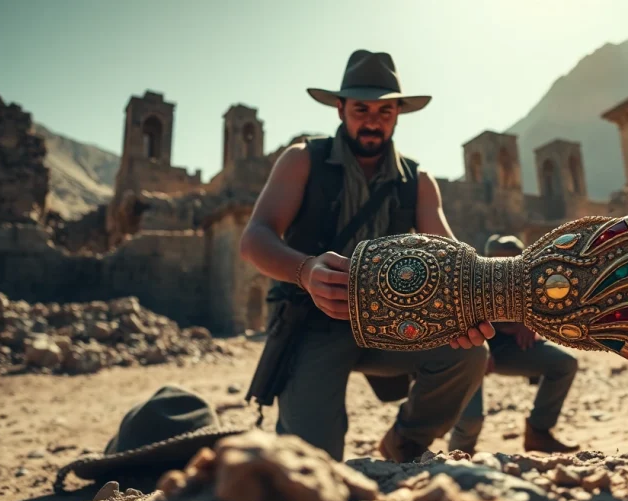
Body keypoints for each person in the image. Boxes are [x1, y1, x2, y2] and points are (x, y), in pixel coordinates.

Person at [239, 50, 493, 463]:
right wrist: (305, 271)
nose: (373, 121)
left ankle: (405, 442)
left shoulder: (419, 182)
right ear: (340, 109)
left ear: (398, 114)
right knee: (312, 464)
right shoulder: (303, 160)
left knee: (468, 352)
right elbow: (255, 238)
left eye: (385, 110)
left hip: (392, 324)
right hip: (311, 323)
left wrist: (487, 304)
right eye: (361, 109)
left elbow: (455, 263)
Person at [448, 234, 580, 455]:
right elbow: (459, 327)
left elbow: (556, 310)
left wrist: (530, 322)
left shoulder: (534, 281)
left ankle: (538, 433)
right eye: (497, 260)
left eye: (511, 260)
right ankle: (458, 458)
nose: (503, 267)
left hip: (511, 350)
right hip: (473, 351)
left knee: (564, 364)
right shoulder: (468, 283)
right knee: (470, 420)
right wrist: (483, 350)